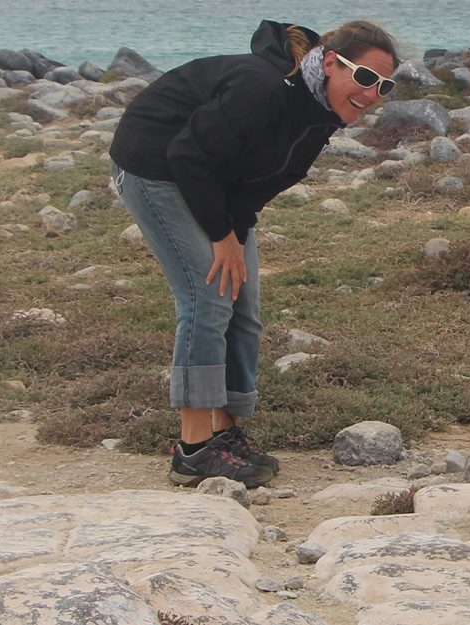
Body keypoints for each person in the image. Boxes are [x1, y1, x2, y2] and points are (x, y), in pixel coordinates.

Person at [109, 20, 400, 487]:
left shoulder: (320, 113)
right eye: (365, 77)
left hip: (212, 178)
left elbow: (262, 179)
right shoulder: (262, 89)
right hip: (154, 164)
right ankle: (194, 449)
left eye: (384, 85)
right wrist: (221, 237)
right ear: (329, 62)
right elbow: (188, 156)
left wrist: (236, 233)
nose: (373, 92)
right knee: (205, 298)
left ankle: (226, 431)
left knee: (241, 299)